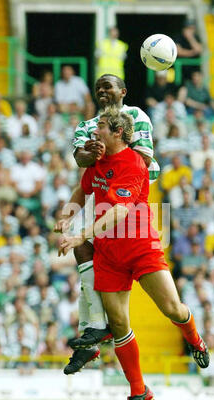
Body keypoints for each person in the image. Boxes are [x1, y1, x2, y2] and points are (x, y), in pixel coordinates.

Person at [58, 108, 209, 400]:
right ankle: (139, 391)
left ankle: (195, 339)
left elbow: (119, 213)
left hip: (141, 248)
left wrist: (80, 235)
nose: (93, 130)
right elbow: (84, 187)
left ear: (116, 132)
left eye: (99, 126)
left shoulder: (133, 163)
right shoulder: (98, 160)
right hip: (108, 253)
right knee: (118, 325)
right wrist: (67, 213)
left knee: (172, 309)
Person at [54, 74, 160, 373]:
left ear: (122, 91)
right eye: (98, 87)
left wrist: (106, 154)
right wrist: (92, 155)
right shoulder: (87, 126)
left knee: (90, 255)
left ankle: (97, 337)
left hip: (129, 204)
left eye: (108, 86)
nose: (102, 91)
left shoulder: (137, 116)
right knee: (82, 251)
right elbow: (81, 159)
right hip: (101, 201)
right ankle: (92, 337)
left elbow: (142, 158)